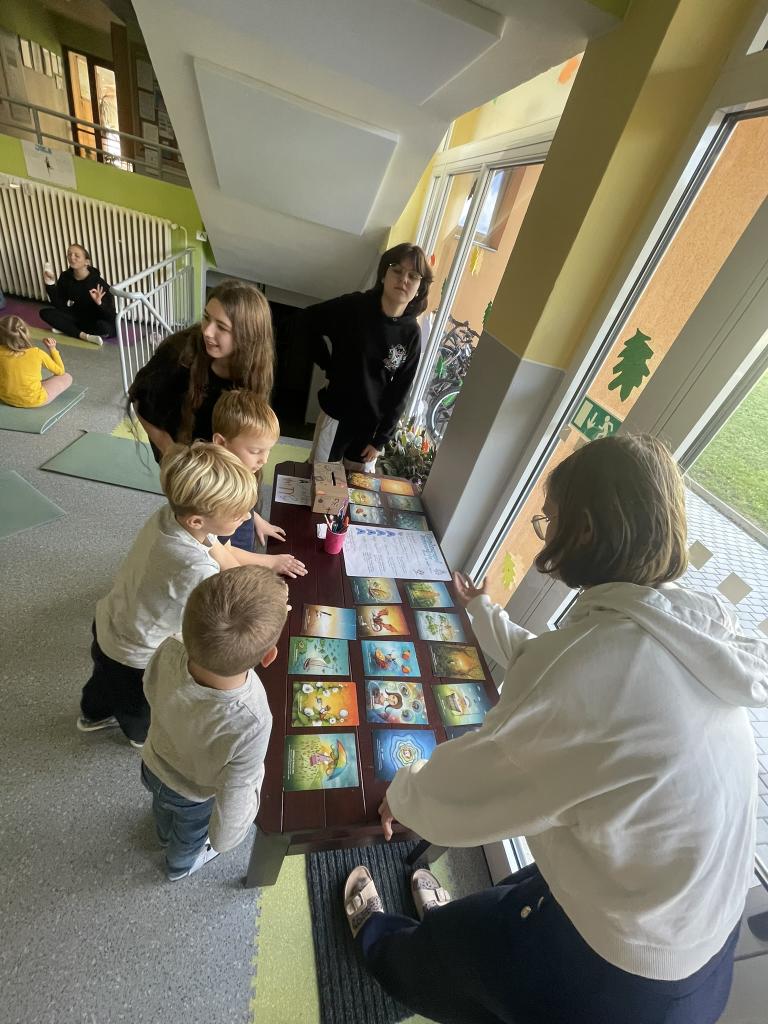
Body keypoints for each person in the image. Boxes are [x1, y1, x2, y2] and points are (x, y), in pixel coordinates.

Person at [343, 434, 768, 1024]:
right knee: (494, 921)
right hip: (695, 936)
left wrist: (404, 793)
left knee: (450, 957)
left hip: (620, 976)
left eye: (550, 521)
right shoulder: (680, 626)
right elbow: (550, 665)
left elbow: (471, 789)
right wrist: (483, 610)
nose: (545, 536)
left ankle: (378, 941)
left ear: (586, 531)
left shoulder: (602, 670)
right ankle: (442, 924)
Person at [78, 442, 257, 748]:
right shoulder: (195, 566)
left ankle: (91, 715)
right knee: (136, 703)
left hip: (110, 618)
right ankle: (139, 737)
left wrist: (251, 580)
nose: (247, 517)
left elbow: (218, 552)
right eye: (237, 514)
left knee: (103, 679)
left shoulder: (171, 515)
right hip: (135, 651)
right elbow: (213, 617)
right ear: (197, 521)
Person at [140, 566, 289, 881]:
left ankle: (162, 834)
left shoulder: (171, 645)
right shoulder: (253, 717)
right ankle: (179, 867)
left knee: (161, 807)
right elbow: (232, 809)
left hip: (153, 763)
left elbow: (149, 687)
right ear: (269, 657)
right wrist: (224, 840)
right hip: (193, 796)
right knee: (188, 836)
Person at [302, 242, 433, 472]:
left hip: (370, 431)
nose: (403, 279)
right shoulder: (354, 307)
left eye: (413, 276)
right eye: (397, 270)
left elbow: (401, 389)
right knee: (320, 480)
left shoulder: (411, 332)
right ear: (383, 274)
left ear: (420, 287)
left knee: (358, 488)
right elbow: (306, 321)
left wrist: (381, 439)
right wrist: (328, 365)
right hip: (336, 416)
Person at [127, 279, 275, 462]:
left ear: (248, 336)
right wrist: (172, 452)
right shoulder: (178, 354)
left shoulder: (257, 368)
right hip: (180, 453)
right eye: (206, 317)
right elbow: (140, 401)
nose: (207, 331)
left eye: (221, 327)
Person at [211, 389, 307, 577]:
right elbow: (221, 550)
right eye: (255, 451)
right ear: (221, 443)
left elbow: (245, 508)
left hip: (244, 546)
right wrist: (270, 562)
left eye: (268, 450)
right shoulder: (219, 491)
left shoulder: (242, 469)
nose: (264, 460)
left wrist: (257, 520)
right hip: (231, 565)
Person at [40, 244, 115, 346]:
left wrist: (100, 303)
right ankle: (83, 335)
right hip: (77, 316)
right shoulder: (66, 276)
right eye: (69, 254)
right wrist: (50, 283)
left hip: (96, 319)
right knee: (45, 313)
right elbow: (59, 305)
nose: (72, 257)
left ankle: (68, 329)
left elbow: (110, 315)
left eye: (77, 255)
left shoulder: (98, 283)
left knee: (104, 328)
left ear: (86, 262)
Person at [0, 315, 73, 407]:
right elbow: (60, 371)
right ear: (25, 333)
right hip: (34, 400)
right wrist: (52, 349)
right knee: (67, 377)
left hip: (5, 397)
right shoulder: (37, 353)